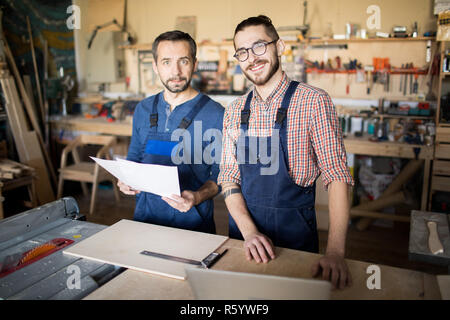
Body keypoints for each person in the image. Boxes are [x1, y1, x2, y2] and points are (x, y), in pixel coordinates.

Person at [218, 15, 354, 289]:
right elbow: (228, 178)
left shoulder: (314, 101)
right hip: (244, 240)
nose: (252, 58)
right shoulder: (234, 111)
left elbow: (338, 176)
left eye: (259, 46)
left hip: (296, 239)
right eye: (242, 52)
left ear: (279, 46)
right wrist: (250, 233)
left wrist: (336, 253)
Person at [119, 30, 224, 234]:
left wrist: (198, 196)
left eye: (183, 61)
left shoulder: (216, 114)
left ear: (194, 64)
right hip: (145, 219)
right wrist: (126, 179)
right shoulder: (143, 109)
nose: (175, 71)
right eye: (166, 62)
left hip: (193, 224)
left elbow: (222, 175)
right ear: (156, 66)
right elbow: (134, 156)